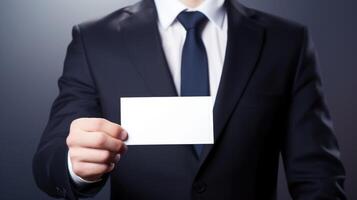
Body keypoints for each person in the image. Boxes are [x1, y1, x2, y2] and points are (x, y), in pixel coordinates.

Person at [33, 0, 347, 199]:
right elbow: (49, 161)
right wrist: (75, 165)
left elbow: (317, 174)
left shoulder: (287, 40)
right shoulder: (94, 39)